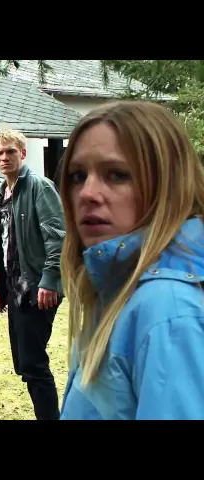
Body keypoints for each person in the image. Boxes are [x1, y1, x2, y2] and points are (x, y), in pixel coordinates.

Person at [59, 100, 204, 420]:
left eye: (117, 175)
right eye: (78, 176)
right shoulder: (116, 287)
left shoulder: (168, 309)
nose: (87, 193)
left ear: (168, 185)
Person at [0, 128, 65, 420]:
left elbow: (57, 238)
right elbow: (3, 243)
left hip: (38, 287)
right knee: (25, 363)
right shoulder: (2, 193)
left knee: (34, 364)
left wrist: (50, 279)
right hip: (16, 287)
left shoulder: (39, 187)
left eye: (10, 151)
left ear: (23, 153)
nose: (5, 157)